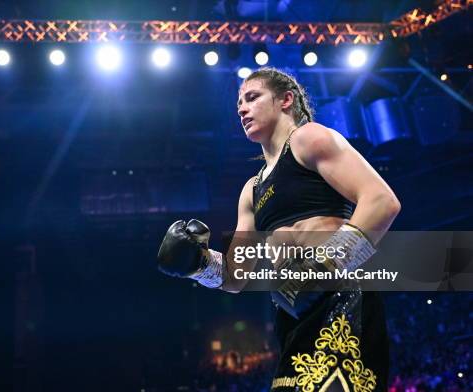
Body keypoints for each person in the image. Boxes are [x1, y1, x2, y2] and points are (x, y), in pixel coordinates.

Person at [157, 67, 401, 391]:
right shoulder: (251, 189)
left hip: (340, 304)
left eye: (252, 97)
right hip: (291, 316)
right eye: (239, 104)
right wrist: (198, 265)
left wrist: (323, 271)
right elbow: (234, 276)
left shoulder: (309, 138)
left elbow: (382, 201)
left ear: (286, 100)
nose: (242, 109)